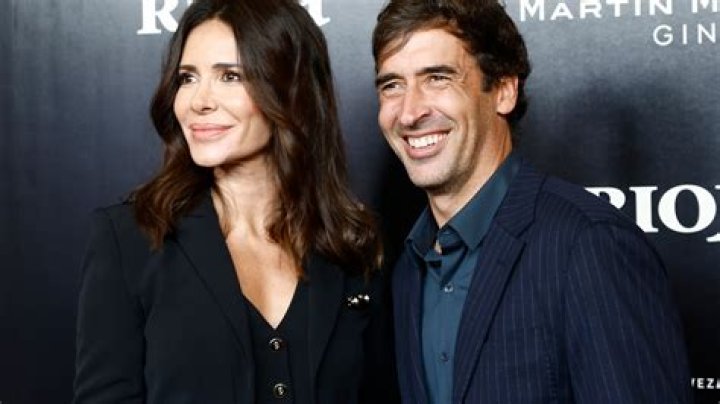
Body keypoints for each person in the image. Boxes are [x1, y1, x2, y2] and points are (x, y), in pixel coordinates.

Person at [73, 0, 398, 403]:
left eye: (230, 76)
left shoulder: (353, 246)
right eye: (187, 78)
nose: (199, 101)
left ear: (290, 90)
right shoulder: (130, 239)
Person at [372, 0, 692, 403]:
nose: (409, 113)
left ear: (504, 91)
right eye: (392, 85)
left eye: (437, 78)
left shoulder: (588, 245)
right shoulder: (410, 267)